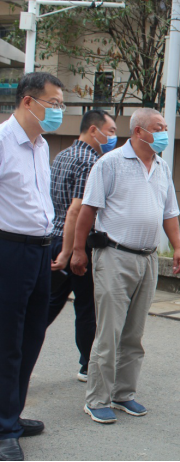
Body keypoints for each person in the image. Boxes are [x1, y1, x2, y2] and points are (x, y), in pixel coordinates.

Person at [71, 107, 180, 425]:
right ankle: (97, 398)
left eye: (165, 127)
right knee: (109, 331)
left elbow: (169, 212)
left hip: (148, 258)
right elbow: (88, 210)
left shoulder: (161, 166)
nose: (164, 133)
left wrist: (177, 247)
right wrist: (78, 250)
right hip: (115, 255)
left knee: (134, 333)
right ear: (138, 131)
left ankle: (123, 393)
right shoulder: (110, 163)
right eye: (158, 128)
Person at [0, 72, 65, 462]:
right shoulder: (2, 142)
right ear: (28, 101)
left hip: (41, 251)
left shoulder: (41, 145)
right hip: (9, 250)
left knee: (32, 336)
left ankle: (12, 411)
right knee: (7, 341)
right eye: (53, 104)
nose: (59, 111)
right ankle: (4, 428)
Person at [48, 109, 118, 383]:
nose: (113, 137)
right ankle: (88, 365)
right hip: (76, 243)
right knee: (87, 306)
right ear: (93, 130)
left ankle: (16, 352)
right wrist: (71, 251)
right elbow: (76, 211)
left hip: (54, 237)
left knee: (47, 304)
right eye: (110, 131)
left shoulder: (62, 155)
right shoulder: (90, 162)